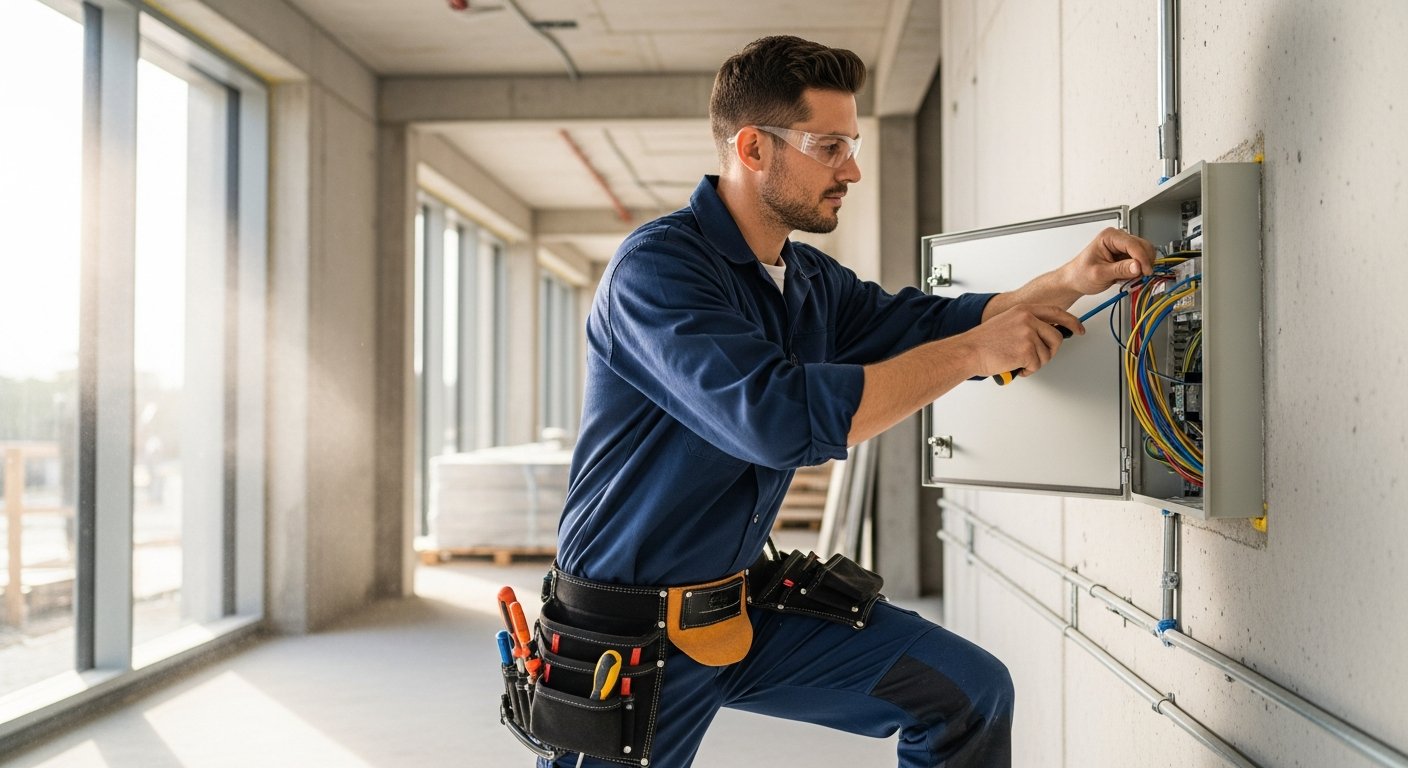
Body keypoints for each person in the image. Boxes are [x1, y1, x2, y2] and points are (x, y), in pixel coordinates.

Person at [538, 35, 1155, 768]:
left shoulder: (808, 282)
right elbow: (774, 420)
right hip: (628, 636)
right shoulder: (659, 271)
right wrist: (970, 356)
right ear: (753, 149)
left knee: (967, 693)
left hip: (736, 610)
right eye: (829, 146)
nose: (853, 170)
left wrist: (1069, 279)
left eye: (853, 145)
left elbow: (939, 323)